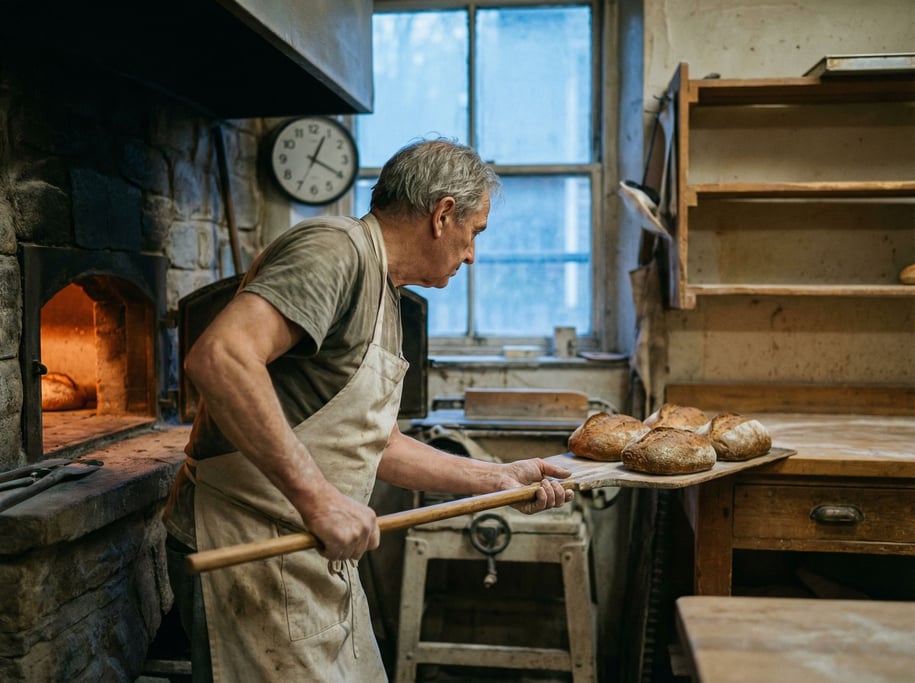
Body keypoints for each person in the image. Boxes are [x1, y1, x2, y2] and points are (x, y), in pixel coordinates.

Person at [162, 138, 575, 682]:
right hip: (249, 546)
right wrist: (319, 501)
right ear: (442, 214)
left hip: (308, 554)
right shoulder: (333, 251)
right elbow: (220, 357)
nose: (473, 255)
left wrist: (496, 477)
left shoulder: (385, 289)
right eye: (474, 234)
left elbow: (376, 443)